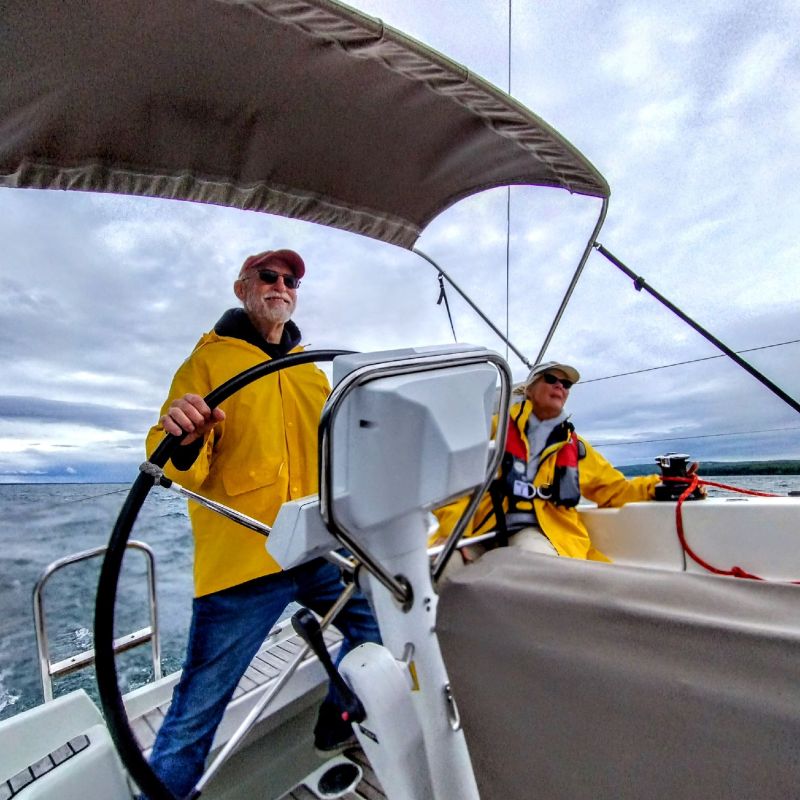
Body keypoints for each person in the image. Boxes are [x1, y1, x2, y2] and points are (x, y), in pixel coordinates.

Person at [143, 249, 381, 799]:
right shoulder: (204, 364)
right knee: (198, 707)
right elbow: (176, 459)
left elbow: (335, 451)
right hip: (242, 563)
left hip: (315, 548)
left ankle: (335, 721)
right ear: (241, 288)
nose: (282, 285)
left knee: (380, 628)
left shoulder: (310, 371)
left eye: (292, 280)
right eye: (269, 277)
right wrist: (184, 431)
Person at [431, 360, 661, 563]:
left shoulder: (574, 446)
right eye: (551, 379)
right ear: (529, 390)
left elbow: (615, 491)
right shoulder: (493, 428)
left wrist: (660, 485)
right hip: (477, 527)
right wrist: (454, 529)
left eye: (566, 384)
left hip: (540, 531)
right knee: (440, 566)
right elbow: (450, 482)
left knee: (536, 567)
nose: (560, 385)